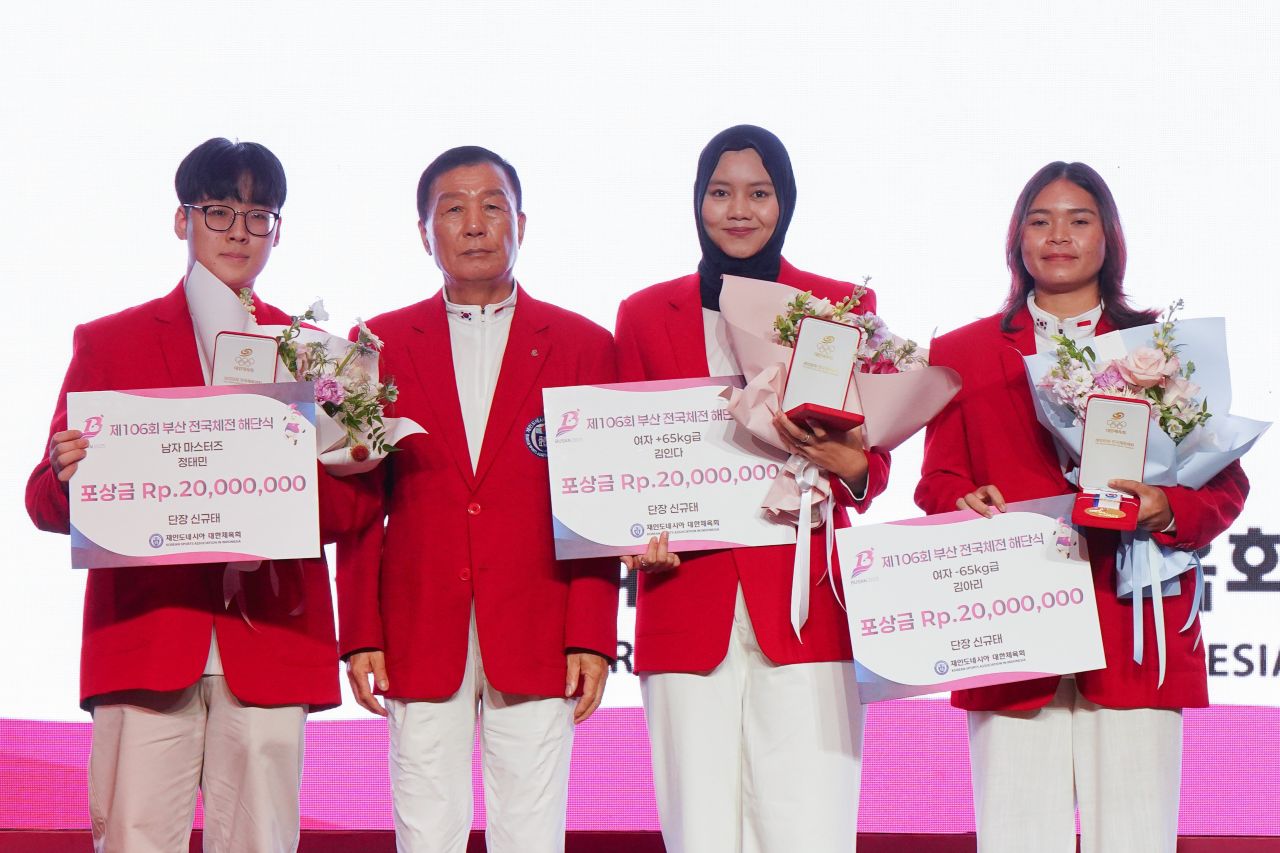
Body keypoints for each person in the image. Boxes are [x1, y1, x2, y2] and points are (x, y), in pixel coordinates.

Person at [25, 137, 370, 853]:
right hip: (149, 634)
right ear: (182, 219)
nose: (239, 231)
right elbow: (44, 501)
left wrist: (321, 469)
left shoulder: (315, 354)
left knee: (261, 841)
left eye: (258, 215)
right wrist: (65, 474)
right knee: (135, 838)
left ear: (277, 229)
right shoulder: (110, 341)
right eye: (219, 211)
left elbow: (354, 511)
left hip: (272, 633)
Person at [915, 161, 1249, 853]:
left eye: (1078, 219)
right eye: (1040, 220)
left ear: (1108, 237)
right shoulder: (963, 352)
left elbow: (1224, 487)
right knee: (1014, 837)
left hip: (1132, 623)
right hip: (1012, 627)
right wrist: (959, 500)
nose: (1058, 236)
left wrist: (1162, 506)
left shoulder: (1161, 349)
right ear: (1017, 239)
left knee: (1135, 836)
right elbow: (938, 479)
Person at [613, 124, 891, 853]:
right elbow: (623, 461)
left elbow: (874, 460)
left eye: (759, 193)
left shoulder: (838, 305)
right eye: (720, 192)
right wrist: (628, 535)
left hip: (805, 604)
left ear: (785, 201)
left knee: (809, 827)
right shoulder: (644, 314)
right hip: (685, 599)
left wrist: (847, 461)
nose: (739, 210)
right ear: (696, 201)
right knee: (699, 829)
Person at [336, 146, 619, 853]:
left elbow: (598, 502)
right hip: (417, 624)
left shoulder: (585, 345)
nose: (474, 225)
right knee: (425, 829)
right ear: (423, 232)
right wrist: (360, 631)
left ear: (521, 223)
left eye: (492, 207)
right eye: (453, 209)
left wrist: (591, 632)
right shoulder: (375, 344)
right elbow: (360, 500)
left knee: (531, 831)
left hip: (538, 619)